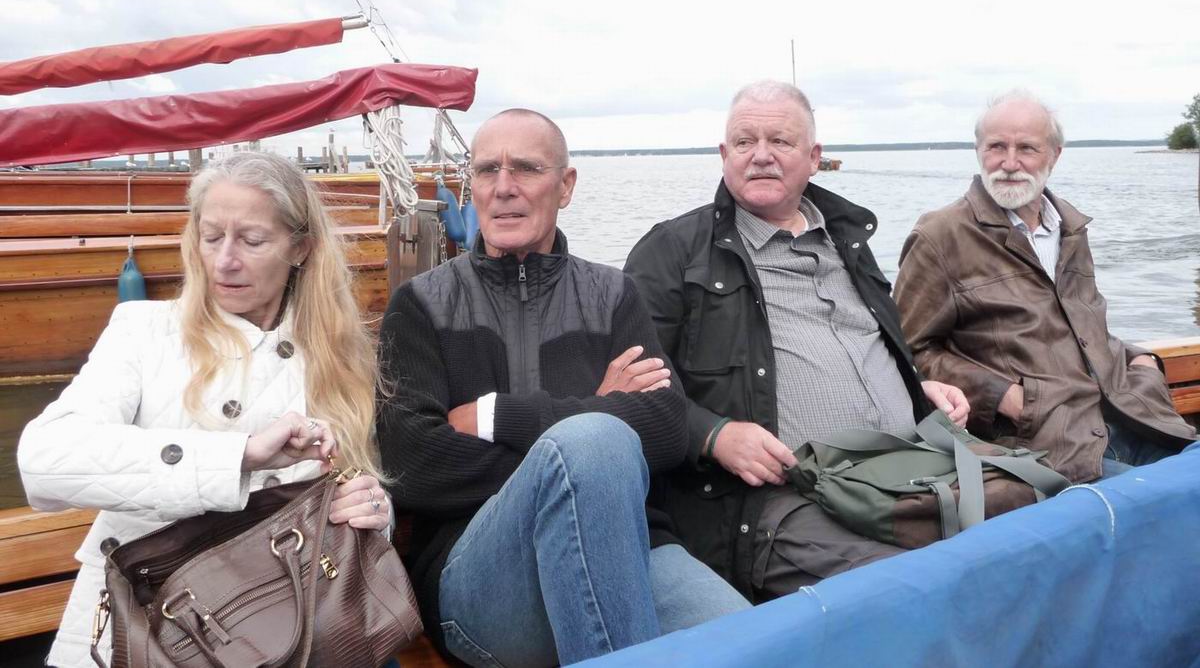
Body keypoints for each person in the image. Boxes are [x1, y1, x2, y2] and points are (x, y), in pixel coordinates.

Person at [376, 109, 749, 667]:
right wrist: (589, 437)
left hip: (631, 546)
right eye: (487, 170)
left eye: (526, 169)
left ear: (566, 186)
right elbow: (412, 463)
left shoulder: (614, 296)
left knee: (762, 646)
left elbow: (668, 428)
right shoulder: (423, 306)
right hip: (481, 568)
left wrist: (495, 417)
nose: (504, 187)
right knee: (595, 442)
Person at [18, 152, 391, 667]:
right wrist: (238, 456)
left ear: (301, 248)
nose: (224, 261)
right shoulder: (144, 331)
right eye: (211, 237)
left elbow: (352, 495)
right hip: (139, 625)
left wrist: (373, 511)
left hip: (281, 628)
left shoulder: (339, 357)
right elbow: (43, 461)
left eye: (252, 241)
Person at [624, 80, 969, 602]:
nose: (760, 155)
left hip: (907, 468)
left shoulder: (848, 241)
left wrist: (917, 390)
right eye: (744, 142)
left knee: (1031, 527)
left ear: (813, 158)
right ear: (724, 155)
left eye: (780, 141)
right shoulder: (672, 252)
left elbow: (871, 344)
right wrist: (713, 436)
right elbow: (632, 390)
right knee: (910, 589)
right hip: (775, 501)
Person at [894, 91, 1196, 482]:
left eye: (1027, 148)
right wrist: (1001, 395)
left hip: (1132, 415)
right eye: (996, 147)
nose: (1009, 163)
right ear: (978, 151)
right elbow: (908, 349)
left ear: (1054, 155)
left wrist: (1141, 361)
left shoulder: (1070, 228)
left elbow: (1082, 325)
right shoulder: (940, 235)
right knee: (1169, 499)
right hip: (1050, 446)